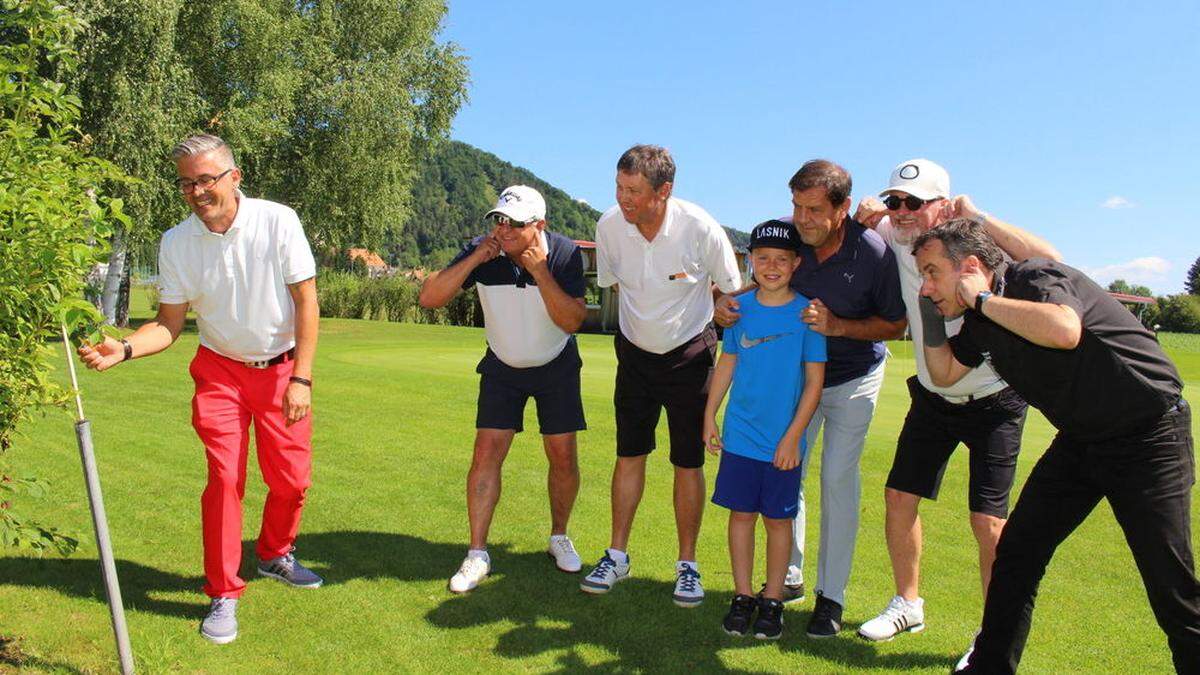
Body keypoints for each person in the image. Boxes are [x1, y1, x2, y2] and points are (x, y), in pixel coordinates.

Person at [911, 219, 1200, 674]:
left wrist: (982, 301)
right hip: (1082, 442)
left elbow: (1065, 330)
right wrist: (930, 314)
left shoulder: (1036, 277)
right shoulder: (980, 322)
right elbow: (945, 374)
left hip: (1149, 435)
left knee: (1169, 583)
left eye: (931, 273)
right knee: (1017, 554)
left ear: (970, 266)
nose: (926, 286)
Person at [77, 134, 321, 644]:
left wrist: (301, 376)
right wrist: (123, 348)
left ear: (235, 176)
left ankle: (275, 553)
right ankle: (223, 593)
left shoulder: (279, 220)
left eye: (206, 178)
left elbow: (306, 302)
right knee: (224, 480)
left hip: (281, 370)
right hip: (220, 372)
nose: (196, 191)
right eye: (187, 182)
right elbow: (168, 324)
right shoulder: (176, 241)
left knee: (292, 481)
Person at [850, 159, 1060, 645]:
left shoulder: (974, 247)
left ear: (941, 205)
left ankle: (992, 634)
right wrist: (865, 212)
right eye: (893, 201)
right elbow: (860, 216)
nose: (900, 211)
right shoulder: (896, 229)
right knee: (900, 498)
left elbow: (1050, 257)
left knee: (988, 522)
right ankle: (908, 604)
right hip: (932, 395)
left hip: (995, 396)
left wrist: (979, 214)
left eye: (914, 202)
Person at [715, 159, 906, 637]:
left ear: (842, 208)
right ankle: (788, 580)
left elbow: (895, 324)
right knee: (787, 471)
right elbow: (766, 277)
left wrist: (839, 326)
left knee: (837, 480)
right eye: (797, 206)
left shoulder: (873, 253)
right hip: (797, 382)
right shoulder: (791, 237)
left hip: (853, 377)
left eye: (815, 209)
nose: (803, 218)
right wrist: (727, 303)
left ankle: (832, 597)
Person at [581, 144, 741, 607]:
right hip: (634, 356)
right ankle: (617, 555)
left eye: (633, 190)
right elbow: (616, 286)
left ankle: (687, 566)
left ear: (664, 191)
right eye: (618, 186)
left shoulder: (699, 227)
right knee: (629, 453)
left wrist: (718, 306)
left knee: (687, 462)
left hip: (689, 356)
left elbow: (734, 294)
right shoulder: (609, 225)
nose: (622, 198)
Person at [418, 185, 588, 593]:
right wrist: (477, 256)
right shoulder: (483, 249)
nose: (504, 229)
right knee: (486, 453)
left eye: (515, 223)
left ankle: (559, 537)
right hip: (502, 365)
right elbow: (429, 297)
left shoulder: (564, 253)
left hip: (556, 364)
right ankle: (477, 552)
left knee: (562, 454)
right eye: (499, 220)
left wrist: (540, 271)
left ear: (540, 225)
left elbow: (572, 320)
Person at [704, 220, 826, 640]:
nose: (771, 266)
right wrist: (709, 415)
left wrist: (794, 437)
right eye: (762, 258)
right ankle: (742, 596)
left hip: (783, 443)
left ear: (795, 263)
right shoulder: (739, 310)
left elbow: (814, 383)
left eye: (780, 259)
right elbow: (727, 364)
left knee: (777, 521)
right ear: (750, 261)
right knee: (741, 516)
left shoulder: (809, 313)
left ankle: (772, 600)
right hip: (740, 436)